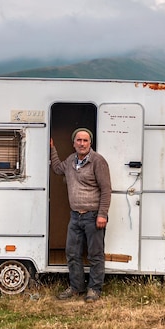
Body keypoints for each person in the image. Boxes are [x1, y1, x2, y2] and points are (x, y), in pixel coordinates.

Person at [50, 128, 111, 303]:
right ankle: (76, 287)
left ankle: (94, 289)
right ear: (74, 143)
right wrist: (52, 148)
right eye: (79, 140)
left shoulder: (98, 161)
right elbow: (57, 168)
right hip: (75, 216)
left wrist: (102, 214)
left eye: (85, 140)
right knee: (72, 253)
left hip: (93, 216)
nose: (82, 144)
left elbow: (106, 190)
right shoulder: (70, 160)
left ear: (90, 143)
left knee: (95, 254)